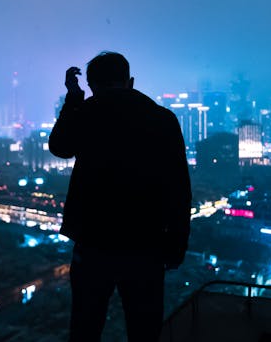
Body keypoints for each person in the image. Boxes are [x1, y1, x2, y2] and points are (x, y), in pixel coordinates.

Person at [48, 51, 192, 342]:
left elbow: (59, 147)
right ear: (130, 81)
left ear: (92, 85)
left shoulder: (87, 113)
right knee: (144, 329)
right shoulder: (162, 118)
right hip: (146, 242)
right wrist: (177, 244)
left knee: (85, 327)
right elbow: (179, 187)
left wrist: (74, 99)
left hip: (93, 241)